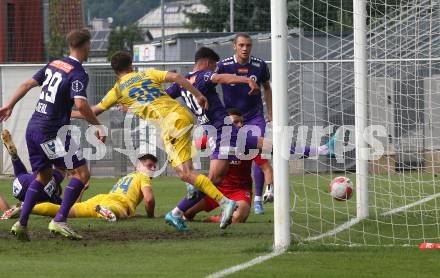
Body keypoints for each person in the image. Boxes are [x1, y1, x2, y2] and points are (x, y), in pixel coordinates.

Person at [165, 47, 336, 231]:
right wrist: (246, 79)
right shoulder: (204, 75)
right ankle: (177, 211)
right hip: (221, 132)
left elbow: (163, 97)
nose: (216, 69)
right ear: (207, 63)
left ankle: (323, 150)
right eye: (214, 66)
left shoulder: (182, 82)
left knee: (270, 146)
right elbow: (222, 78)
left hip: (225, 131)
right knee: (214, 178)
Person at [71, 50, 237, 229]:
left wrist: (67, 113)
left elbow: (92, 111)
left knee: (186, 174)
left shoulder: (118, 90)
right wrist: (197, 94)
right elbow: (177, 77)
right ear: (131, 65)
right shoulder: (146, 73)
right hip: (182, 115)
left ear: (114, 72)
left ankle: (225, 202)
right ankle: (185, 202)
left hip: (171, 123)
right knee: (184, 173)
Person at [0, 29, 106, 241]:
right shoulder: (78, 72)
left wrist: (9, 105)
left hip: (34, 128)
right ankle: (59, 220)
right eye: (90, 46)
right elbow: (81, 104)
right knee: (81, 174)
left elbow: (27, 84)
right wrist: (97, 126)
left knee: (44, 176)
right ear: (86, 46)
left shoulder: (54, 64)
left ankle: (21, 223)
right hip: (52, 132)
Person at [215, 33, 274, 214]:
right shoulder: (223, 65)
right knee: (228, 155)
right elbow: (212, 83)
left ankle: (257, 200)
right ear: (234, 46)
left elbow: (267, 87)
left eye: (248, 45)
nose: (245, 49)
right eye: (241, 45)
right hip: (233, 118)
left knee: (257, 151)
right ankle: (222, 192)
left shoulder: (259, 65)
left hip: (254, 116)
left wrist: (271, 112)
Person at [28, 153, 157, 221]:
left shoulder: (126, 177)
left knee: (66, 211)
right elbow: (149, 199)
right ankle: (106, 211)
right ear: (138, 166)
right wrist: (151, 216)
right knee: (121, 213)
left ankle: (27, 208)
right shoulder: (143, 176)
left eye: (154, 166)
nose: (153, 169)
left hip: (101, 199)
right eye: (149, 165)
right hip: (116, 202)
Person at [0, 129, 65, 220]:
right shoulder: (55, 199)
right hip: (22, 193)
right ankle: (20, 207)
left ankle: (15, 157)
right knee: (35, 196)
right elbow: (70, 207)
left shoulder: (53, 182)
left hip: (22, 184)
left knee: (22, 174)